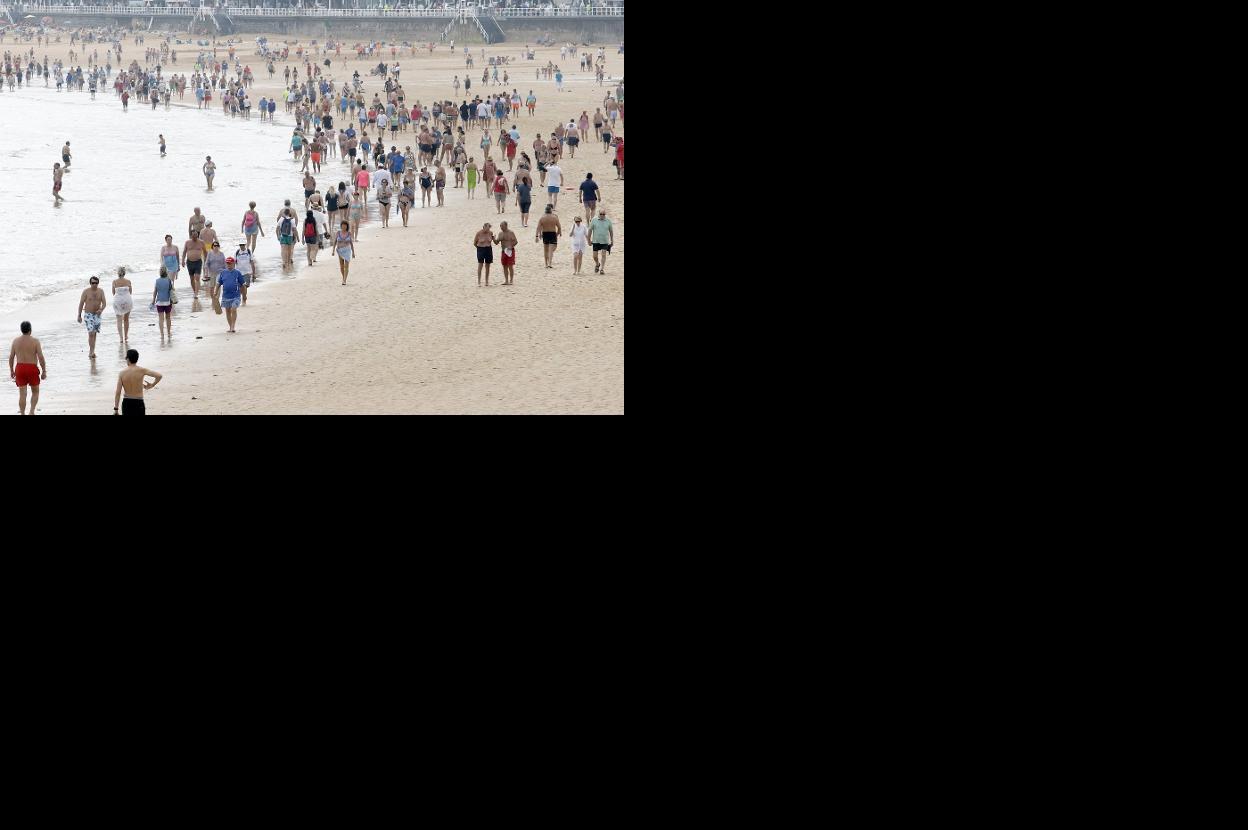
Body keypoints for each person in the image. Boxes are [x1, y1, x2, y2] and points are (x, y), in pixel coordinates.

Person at [9, 322, 47, 415]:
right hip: (32, 368)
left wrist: (11, 370)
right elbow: (41, 357)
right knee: (35, 391)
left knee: (22, 394)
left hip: (20, 368)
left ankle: (22, 413)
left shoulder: (15, 341)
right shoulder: (35, 341)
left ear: (21, 330)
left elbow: (11, 357)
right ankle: (31, 411)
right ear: (30, 330)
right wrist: (44, 370)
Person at [113, 349, 161, 415]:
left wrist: (116, 409)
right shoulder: (142, 370)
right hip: (139, 402)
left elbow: (118, 392)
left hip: (127, 403)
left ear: (128, 359)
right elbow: (159, 376)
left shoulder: (122, 373)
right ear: (136, 359)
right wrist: (152, 385)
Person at [77, 276, 107, 359]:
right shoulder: (86, 292)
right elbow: (81, 303)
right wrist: (79, 315)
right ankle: (91, 351)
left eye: (96, 283)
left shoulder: (101, 291)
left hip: (97, 315)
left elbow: (104, 303)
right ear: (90, 283)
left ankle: (93, 350)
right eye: (93, 283)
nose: (95, 284)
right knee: (91, 333)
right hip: (88, 314)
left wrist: (101, 310)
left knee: (95, 333)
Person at [214, 257, 246, 333]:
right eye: (227, 263)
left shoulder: (237, 273)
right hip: (225, 296)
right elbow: (219, 283)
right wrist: (215, 291)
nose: (228, 265)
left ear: (234, 264)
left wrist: (244, 295)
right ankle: (230, 327)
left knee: (233, 309)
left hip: (236, 296)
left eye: (230, 263)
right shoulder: (223, 273)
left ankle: (233, 326)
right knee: (228, 311)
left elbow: (243, 285)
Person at [535, 204, 562, 269]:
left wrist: (536, 236)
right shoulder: (554, 217)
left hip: (545, 233)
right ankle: (550, 263)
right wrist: (558, 234)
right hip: (552, 233)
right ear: (551, 211)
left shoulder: (542, 218)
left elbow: (538, 228)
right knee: (550, 249)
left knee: (545, 250)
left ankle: (546, 264)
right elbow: (559, 227)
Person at [112, 267, 134, 343]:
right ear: (124, 273)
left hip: (118, 301)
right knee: (126, 319)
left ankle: (121, 338)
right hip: (127, 300)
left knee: (119, 320)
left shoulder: (114, 282)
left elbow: (113, 293)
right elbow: (130, 292)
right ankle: (126, 336)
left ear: (118, 273)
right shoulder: (128, 281)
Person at [589, 209, 614, 274]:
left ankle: (602, 269)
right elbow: (590, 230)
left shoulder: (608, 221)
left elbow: (611, 231)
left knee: (603, 254)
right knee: (594, 256)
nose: (602, 215)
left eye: (604, 214)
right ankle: (597, 264)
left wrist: (612, 240)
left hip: (605, 241)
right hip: (596, 241)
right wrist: (588, 240)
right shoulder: (594, 220)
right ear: (598, 214)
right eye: (601, 214)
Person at [183, 230, 206, 298]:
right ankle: (194, 291)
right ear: (191, 235)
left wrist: (206, 261)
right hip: (189, 262)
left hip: (198, 261)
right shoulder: (187, 242)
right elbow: (184, 252)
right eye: (193, 235)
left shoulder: (201, 242)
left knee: (197, 277)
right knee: (191, 278)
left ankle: (196, 293)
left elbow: (205, 252)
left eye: (196, 235)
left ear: (197, 235)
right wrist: (183, 261)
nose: (195, 237)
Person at [153, 267, 174, 340]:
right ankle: (168, 333)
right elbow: (172, 291)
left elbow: (155, 292)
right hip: (168, 302)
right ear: (166, 272)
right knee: (168, 318)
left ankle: (162, 334)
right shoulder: (169, 280)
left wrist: (153, 301)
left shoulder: (157, 281)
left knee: (161, 319)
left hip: (159, 302)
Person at [498, 221, 518, 286]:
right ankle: (506, 280)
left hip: (510, 251)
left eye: (502, 226)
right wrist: (493, 238)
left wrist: (511, 246)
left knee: (510, 266)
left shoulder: (511, 233)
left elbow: (515, 241)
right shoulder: (500, 233)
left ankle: (511, 280)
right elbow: (496, 242)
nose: (501, 227)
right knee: (504, 266)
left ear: (506, 226)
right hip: (503, 251)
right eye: (500, 226)